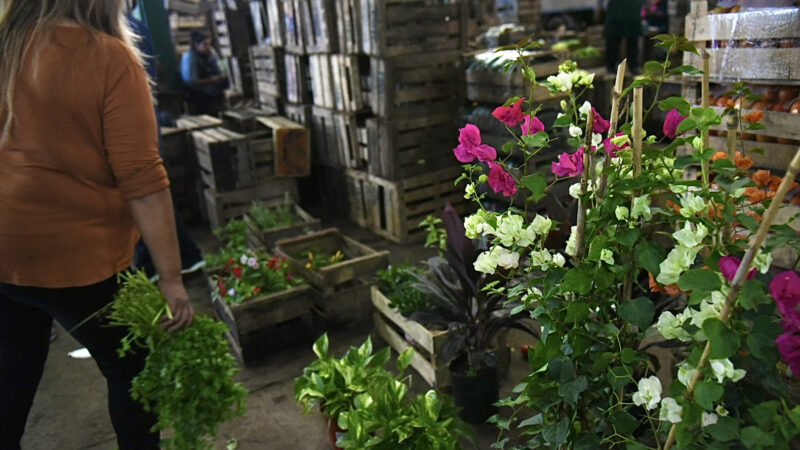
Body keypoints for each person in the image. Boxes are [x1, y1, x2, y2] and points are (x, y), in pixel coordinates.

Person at [0, 1, 194, 448]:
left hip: (6, 250)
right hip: (74, 253)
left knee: (14, 370)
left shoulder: (9, 45)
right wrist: (171, 279)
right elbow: (142, 180)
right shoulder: (106, 56)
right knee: (133, 369)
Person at [128, 9, 205, 279]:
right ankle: (184, 257)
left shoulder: (127, 31)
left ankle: (159, 266)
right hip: (142, 123)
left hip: (135, 127)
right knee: (150, 193)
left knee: (145, 193)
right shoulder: (133, 28)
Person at [180, 30, 229, 116]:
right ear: (196, 45)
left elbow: (218, 69)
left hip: (210, 84)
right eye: (205, 45)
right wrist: (211, 80)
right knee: (202, 96)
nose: (208, 47)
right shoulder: (189, 57)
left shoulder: (211, 52)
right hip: (194, 90)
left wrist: (220, 76)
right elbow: (192, 81)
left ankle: (222, 112)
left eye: (209, 44)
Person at [604, 0, 644, 74]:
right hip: (616, 15)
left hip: (631, 15)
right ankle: (611, 67)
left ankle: (633, 67)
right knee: (613, 42)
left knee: (632, 42)